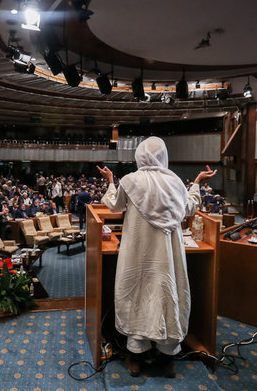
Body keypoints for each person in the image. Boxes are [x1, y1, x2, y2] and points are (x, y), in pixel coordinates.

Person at [97, 136, 216, 378]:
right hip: (167, 258)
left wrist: (110, 181)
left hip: (137, 255)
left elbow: (113, 205)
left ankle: (135, 358)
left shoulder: (130, 181)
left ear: (139, 155)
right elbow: (190, 207)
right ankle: (167, 358)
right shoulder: (174, 182)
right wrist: (196, 183)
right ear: (163, 156)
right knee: (167, 295)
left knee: (137, 295)